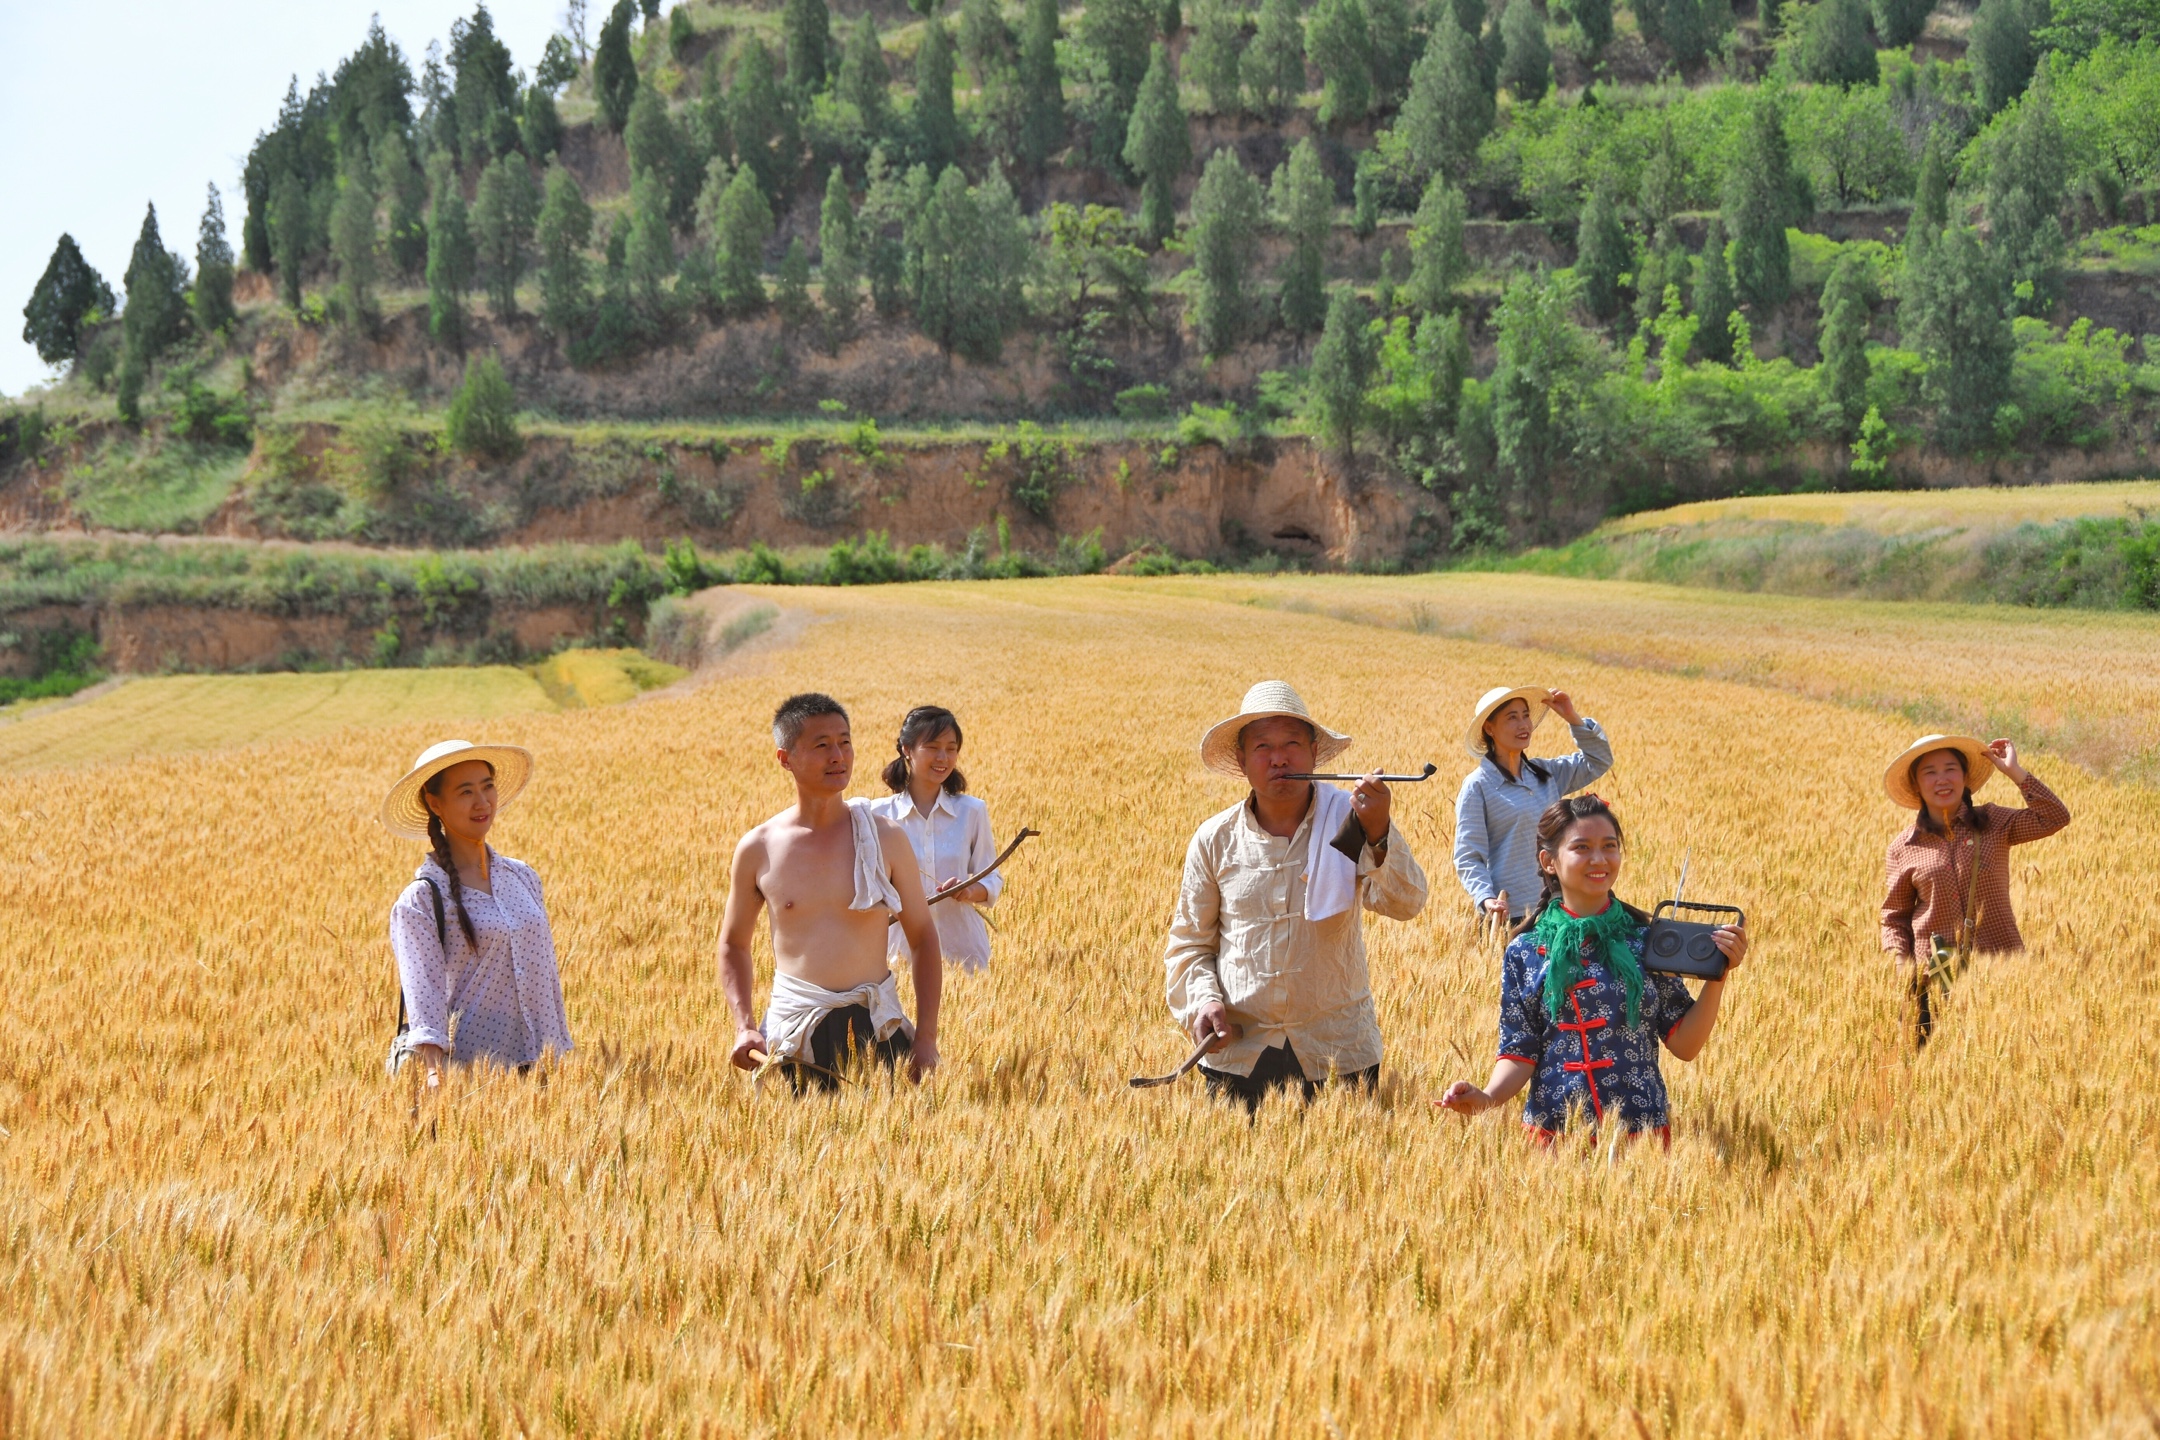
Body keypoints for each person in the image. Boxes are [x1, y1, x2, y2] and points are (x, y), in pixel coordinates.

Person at [1165, 680, 1429, 1113]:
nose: (1279, 757)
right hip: (1239, 1054)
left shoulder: (1348, 821)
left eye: (1292, 743)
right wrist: (1204, 1002)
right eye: (1263, 746)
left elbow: (1406, 903)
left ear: (1313, 754)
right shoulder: (1215, 839)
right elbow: (1190, 943)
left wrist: (1379, 830)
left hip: (1337, 1052)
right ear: (1242, 760)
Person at [1437, 795, 1746, 1145]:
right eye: (1581, 847)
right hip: (1554, 1139)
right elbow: (1519, 1051)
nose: (1599, 859)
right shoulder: (1524, 950)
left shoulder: (1647, 941)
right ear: (1549, 861)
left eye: (1609, 846)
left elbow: (1685, 1043)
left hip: (1640, 1138)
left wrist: (1718, 976)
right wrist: (1488, 1097)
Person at [718, 692, 944, 1091]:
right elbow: (734, 944)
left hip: (878, 1030)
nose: (838, 755)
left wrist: (925, 1037)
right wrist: (744, 1026)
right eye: (822, 745)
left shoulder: (886, 839)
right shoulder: (758, 848)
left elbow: (923, 937)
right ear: (785, 758)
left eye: (845, 741)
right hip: (794, 1033)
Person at [382, 739, 574, 1086]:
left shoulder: (523, 877)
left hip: (548, 1072)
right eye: (465, 792)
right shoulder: (422, 901)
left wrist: (561, 1057)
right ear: (434, 803)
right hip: (476, 1081)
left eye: (488, 788)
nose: (482, 802)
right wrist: (432, 1074)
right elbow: (423, 995)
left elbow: (546, 975)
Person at [1879, 734, 2070, 1044]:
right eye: (1929, 771)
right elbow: (1894, 916)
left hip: (2001, 959)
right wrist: (1900, 964)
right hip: (1937, 965)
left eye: (1950, 768)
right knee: (1930, 1065)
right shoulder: (1903, 847)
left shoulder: (1994, 821)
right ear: (1916, 784)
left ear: (1965, 777)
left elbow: (2054, 817)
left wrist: (2014, 772)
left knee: (2009, 1059)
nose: (1942, 779)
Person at [1454, 685, 1612, 925]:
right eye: (1512, 718)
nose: (1523, 725)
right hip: (1510, 914)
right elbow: (1468, 855)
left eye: (1526, 715)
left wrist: (1572, 717)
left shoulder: (1546, 773)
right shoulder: (1478, 786)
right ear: (1489, 728)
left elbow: (1599, 761)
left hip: (1559, 908)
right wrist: (1485, 898)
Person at [867, 705, 1003, 974]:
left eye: (951, 749)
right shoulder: (877, 815)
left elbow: (992, 878)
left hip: (964, 956)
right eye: (932, 747)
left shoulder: (972, 811)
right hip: (900, 959)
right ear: (907, 749)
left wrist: (969, 889)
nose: (943, 757)